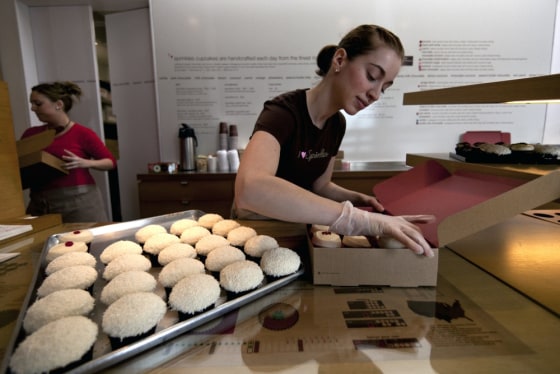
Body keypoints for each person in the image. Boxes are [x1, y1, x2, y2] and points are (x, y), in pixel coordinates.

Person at [234, 24, 435, 257]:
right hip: (260, 231)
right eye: (372, 76)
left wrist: (361, 200)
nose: (376, 95)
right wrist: (361, 219)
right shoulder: (283, 112)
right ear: (339, 60)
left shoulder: (336, 123)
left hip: (299, 229)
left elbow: (320, 186)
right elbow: (250, 188)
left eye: (385, 88)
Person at [21, 81, 116, 222]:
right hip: (40, 205)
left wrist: (85, 163)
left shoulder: (83, 133)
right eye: (32, 104)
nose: (33, 108)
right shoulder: (31, 134)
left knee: (87, 242)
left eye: (38, 103)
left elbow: (110, 162)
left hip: (79, 205)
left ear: (58, 104)